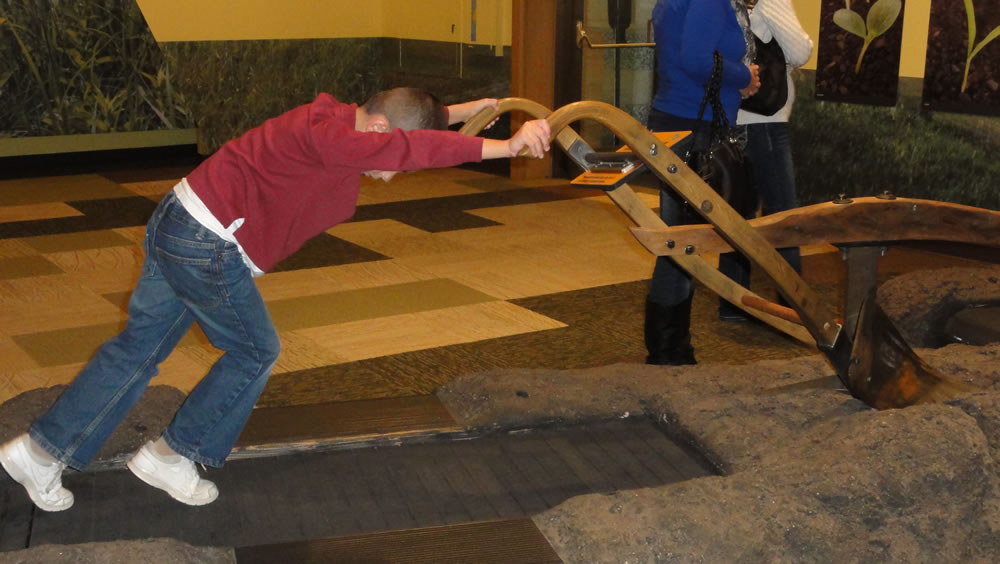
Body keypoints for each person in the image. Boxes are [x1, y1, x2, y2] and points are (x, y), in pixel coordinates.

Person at [0, 87, 551, 512]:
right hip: (205, 243)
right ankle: (172, 453)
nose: (389, 175)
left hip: (181, 223)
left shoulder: (336, 122)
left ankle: (39, 453)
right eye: (394, 162)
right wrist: (506, 146)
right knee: (255, 351)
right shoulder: (332, 136)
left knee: (138, 349)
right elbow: (405, 142)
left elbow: (403, 127)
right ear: (378, 129)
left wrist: (465, 111)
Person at [644, 0, 760, 365]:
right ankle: (669, 350)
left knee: (680, 241)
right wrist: (744, 77)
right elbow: (696, 60)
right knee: (684, 244)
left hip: (677, 125)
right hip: (695, 131)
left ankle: (669, 346)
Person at [718, 0, 814, 321]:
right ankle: (794, 306)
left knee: (738, 211)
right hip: (766, 122)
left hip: (732, 115)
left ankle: (733, 303)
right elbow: (800, 51)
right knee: (784, 214)